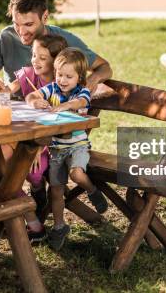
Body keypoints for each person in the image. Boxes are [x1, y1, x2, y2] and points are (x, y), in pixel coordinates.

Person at [26, 48, 109, 251]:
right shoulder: (52, 88)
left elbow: (81, 102)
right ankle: (59, 226)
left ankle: (92, 190)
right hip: (56, 149)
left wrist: (65, 106)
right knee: (56, 191)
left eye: (68, 76)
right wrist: (37, 101)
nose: (62, 80)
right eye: (59, 75)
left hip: (77, 147)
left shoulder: (81, 91)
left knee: (77, 174)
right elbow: (30, 96)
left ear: (79, 77)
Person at [0, 0, 112, 95]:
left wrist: (91, 81)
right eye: (16, 24)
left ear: (45, 17)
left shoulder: (64, 41)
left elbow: (104, 67)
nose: (21, 31)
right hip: (14, 115)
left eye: (28, 24)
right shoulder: (6, 37)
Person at [4, 34, 68, 242]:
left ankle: (36, 191)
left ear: (56, 61)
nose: (35, 61)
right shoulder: (29, 75)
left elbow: (66, 126)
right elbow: (7, 90)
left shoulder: (64, 84)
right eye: (33, 55)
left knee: (35, 168)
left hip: (52, 142)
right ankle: (33, 197)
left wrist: (39, 147)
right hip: (27, 137)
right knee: (5, 157)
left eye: (42, 58)